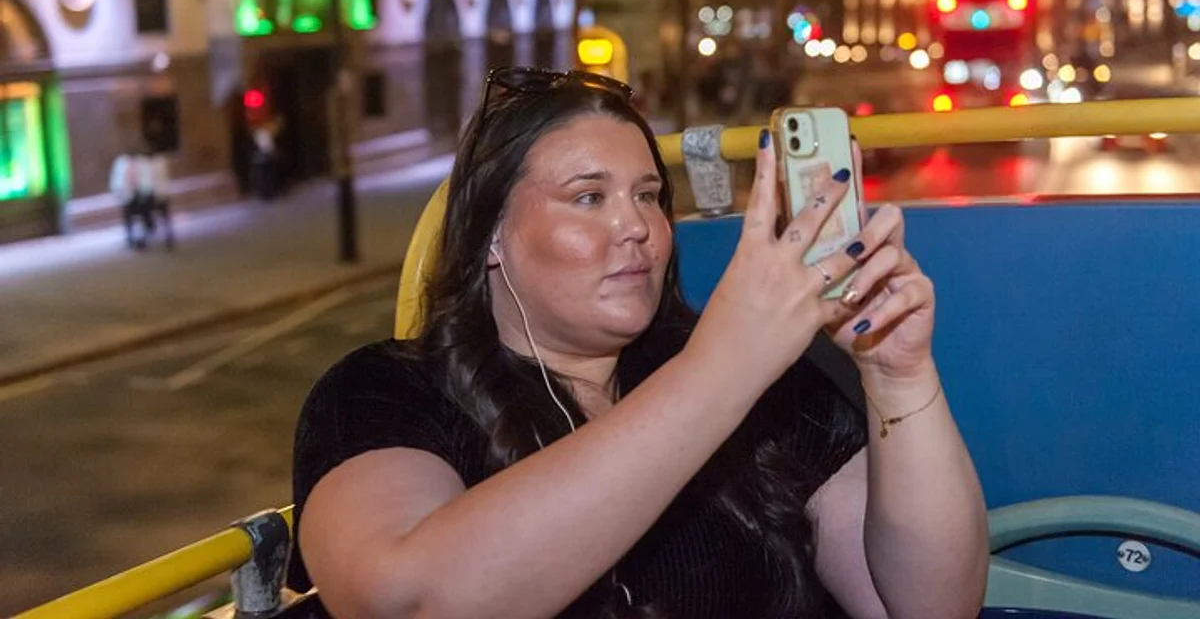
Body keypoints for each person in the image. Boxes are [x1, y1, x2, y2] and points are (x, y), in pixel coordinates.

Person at [289, 66, 989, 619]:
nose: (637, 228)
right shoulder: (386, 392)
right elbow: (405, 599)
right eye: (589, 197)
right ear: (491, 235)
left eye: (649, 195)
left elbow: (931, 604)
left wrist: (898, 375)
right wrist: (723, 369)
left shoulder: (756, 380)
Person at [109, 145, 150, 250]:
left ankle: (142, 239)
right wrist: (118, 193)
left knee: (142, 217)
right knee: (128, 218)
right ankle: (130, 238)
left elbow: (146, 178)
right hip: (127, 194)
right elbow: (117, 179)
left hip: (140, 194)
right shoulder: (121, 164)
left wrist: (145, 191)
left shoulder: (142, 162)